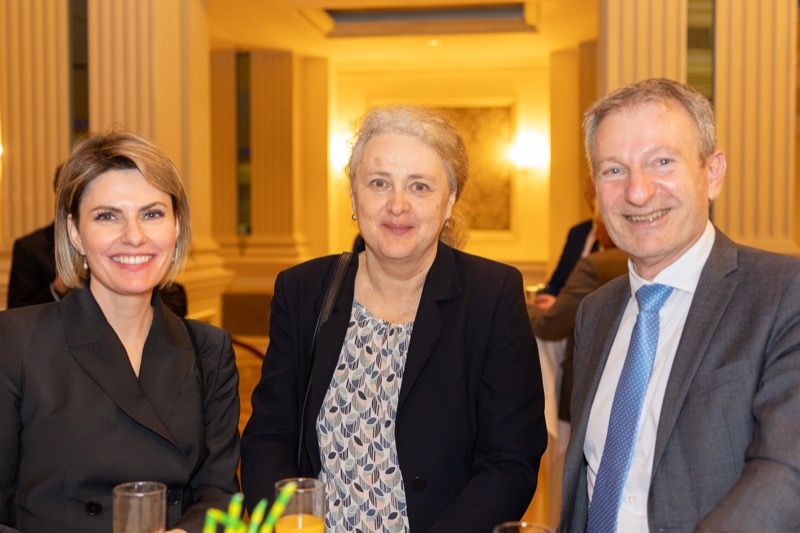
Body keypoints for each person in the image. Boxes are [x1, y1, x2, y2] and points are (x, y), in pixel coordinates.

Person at [241, 105, 547, 532]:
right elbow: (269, 437)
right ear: (353, 196)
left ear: (449, 201)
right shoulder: (303, 291)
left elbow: (510, 461)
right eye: (379, 183)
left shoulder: (491, 295)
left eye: (419, 186)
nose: (397, 205)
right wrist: (287, 524)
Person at [558, 78, 800, 532]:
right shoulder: (596, 311)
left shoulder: (784, 294)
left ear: (713, 173)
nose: (638, 192)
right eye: (614, 170)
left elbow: (787, 471)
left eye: (662, 162)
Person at [0, 131, 241, 533]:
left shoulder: (210, 350)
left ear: (177, 226)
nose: (134, 236)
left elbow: (220, 495)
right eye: (108, 216)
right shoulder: (15, 342)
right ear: (74, 232)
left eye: (152, 214)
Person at [529, 212, 627, 422]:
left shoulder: (595, 265)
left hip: (588, 379)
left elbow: (550, 326)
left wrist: (523, 306)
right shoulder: (648, 261)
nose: (595, 233)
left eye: (597, 226)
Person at [6, 166, 70, 308]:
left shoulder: (103, 244)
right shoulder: (28, 248)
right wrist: (56, 289)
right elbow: (17, 311)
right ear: (59, 196)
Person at [532, 184, 598, 311]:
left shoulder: (618, 238)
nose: (594, 203)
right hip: (563, 310)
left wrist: (560, 304)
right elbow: (557, 280)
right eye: (592, 196)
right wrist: (544, 298)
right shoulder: (577, 233)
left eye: (597, 197)